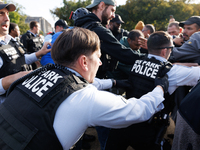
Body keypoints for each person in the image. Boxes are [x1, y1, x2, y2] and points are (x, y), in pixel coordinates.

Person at [0, 27, 169, 150]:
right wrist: (160, 89)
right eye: (98, 57)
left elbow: (73, 84)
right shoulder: (85, 98)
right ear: (84, 62)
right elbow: (139, 111)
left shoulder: (32, 74)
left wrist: (114, 83)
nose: (101, 62)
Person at [105, 31, 200, 150]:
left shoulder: (138, 61)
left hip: (124, 120)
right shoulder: (172, 72)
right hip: (148, 129)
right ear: (165, 50)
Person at [0, 1, 51, 103]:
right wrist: (16, 78)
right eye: (1, 14)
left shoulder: (11, 41)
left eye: (7, 14)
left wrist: (40, 52)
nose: (7, 19)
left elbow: (21, 59)